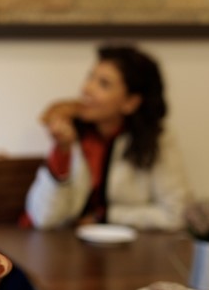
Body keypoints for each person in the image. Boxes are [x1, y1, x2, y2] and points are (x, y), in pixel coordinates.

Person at [24, 43, 192, 230]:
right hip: (64, 242)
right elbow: (44, 218)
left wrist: (105, 216)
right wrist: (62, 152)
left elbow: (177, 214)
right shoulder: (71, 133)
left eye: (103, 84)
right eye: (90, 77)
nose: (87, 89)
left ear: (130, 102)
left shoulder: (156, 139)